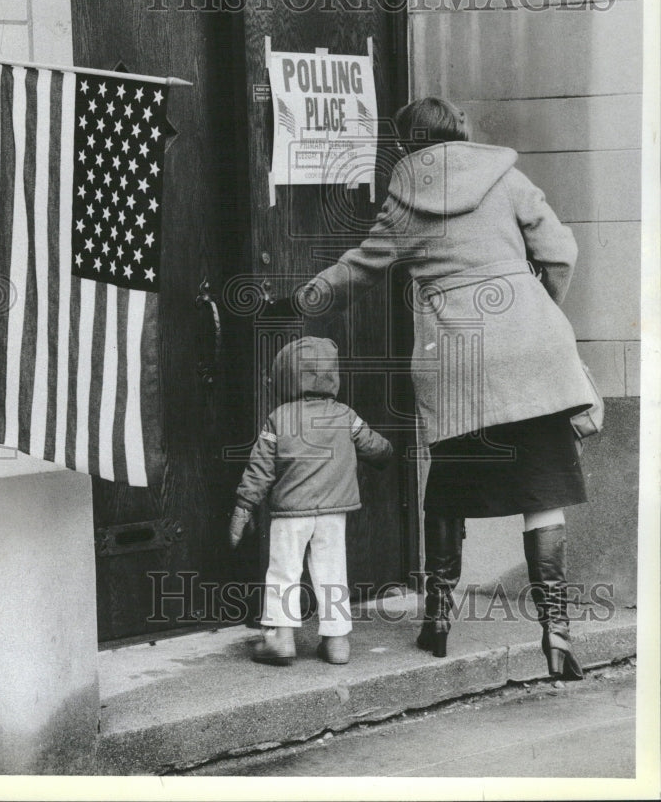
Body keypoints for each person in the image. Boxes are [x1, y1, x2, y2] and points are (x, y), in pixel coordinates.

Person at [297, 96, 595, 681]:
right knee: (543, 495)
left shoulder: (404, 202)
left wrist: (300, 299)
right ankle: (557, 636)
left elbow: (358, 270)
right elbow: (561, 252)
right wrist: (536, 316)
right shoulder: (506, 177)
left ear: (408, 145)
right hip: (533, 351)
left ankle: (437, 620)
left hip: (456, 360)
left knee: (449, 489)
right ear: (460, 133)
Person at [229, 336, 393, 666]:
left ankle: (282, 637)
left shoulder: (278, 418)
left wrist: (243, 507)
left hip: (291, 512)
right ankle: (336, 641)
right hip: (334, 512)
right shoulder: (346, 415)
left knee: (284, 571)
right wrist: (388, 454)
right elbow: (375, 446)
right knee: (332, 571)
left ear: (285, 377)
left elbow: (259, 468)